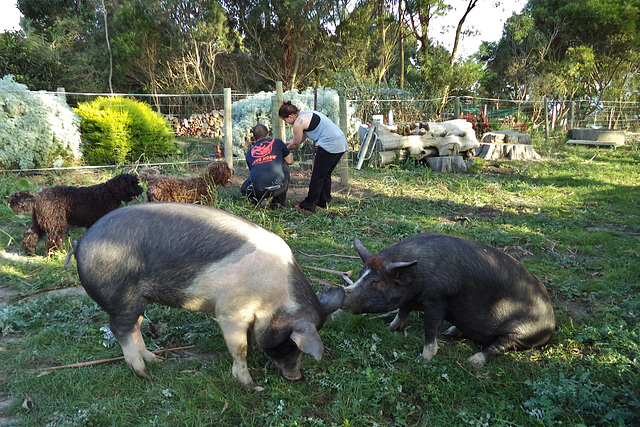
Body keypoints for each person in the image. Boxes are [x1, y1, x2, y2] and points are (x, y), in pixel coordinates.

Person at [278, 101, 348, 213]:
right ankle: (323, 201)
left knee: (317, 176)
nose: (286, 122)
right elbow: (298, 140)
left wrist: (280, 151)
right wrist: (283, 145)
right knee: (325, 174)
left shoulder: (298, 123)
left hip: (329, 144)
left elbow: (295, 145)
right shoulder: (305, 115)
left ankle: (309, 205)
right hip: (340, 143)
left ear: (290, 116)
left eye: (285, 120)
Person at [241, 124, 293, 209]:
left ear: (254, 137)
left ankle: (258, 201)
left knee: (247, 184)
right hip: (278, 187)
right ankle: (278, 202)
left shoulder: (249, 152)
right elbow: (290, 161)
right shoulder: (277, 142)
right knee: (284, 166)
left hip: (258, 190)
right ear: (268, 135)